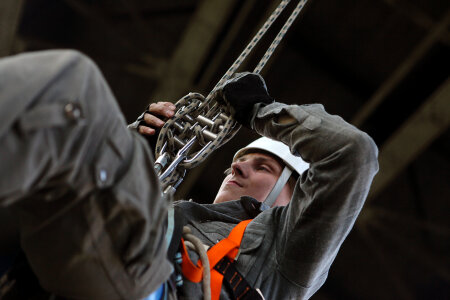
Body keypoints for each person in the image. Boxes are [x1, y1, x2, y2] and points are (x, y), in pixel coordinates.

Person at [0, 50, 378, 299]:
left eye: (264, 167)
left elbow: (352, 155)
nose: (238, 166)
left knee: (73, 88)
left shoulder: (288, 253)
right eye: (240, 160)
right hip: (89, 273)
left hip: (154, 288)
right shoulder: (180, 214)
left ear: (296, 195)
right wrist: (137, 150)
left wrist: (260, 112)